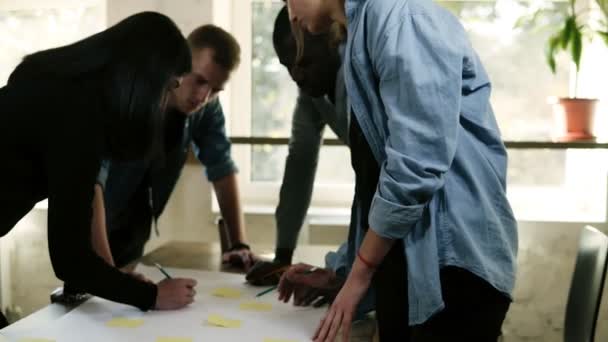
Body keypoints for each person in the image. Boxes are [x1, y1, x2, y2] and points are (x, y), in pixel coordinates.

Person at [280, 1, 518, 341]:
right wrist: (342, 271)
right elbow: (376, 182)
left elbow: (417, 165)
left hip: (450, 270)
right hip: (410, 267)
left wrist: (360, 274)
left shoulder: (402, 17)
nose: (290, 12)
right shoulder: (360, 35)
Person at [0, 11, 198, 327]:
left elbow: (81, 211)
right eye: (168, 87)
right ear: (146, 76)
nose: (163, 103)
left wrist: (122, 284)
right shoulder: (78, 116)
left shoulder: (65, 88)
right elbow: (70, 259)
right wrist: (152, 297)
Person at [88, 24, 257, 275]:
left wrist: (239, 244)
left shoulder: (207, 108)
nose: (203, 96)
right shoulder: (129, 93)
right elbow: (90, 180)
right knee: (85, 305)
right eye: (199, 80)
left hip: (135, 228)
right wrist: (107, 276)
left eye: (215, 90)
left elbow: (221, 167)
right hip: (89, 220)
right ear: (178, 63)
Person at [246, 5, 345, 285]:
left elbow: (378, 176)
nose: (296, 76)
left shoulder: (356, 74)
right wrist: (283, 256)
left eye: (304, 63)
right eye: (288, 66)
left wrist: (348, 270)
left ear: (332, 43)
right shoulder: (312, 94)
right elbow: (299, 164)